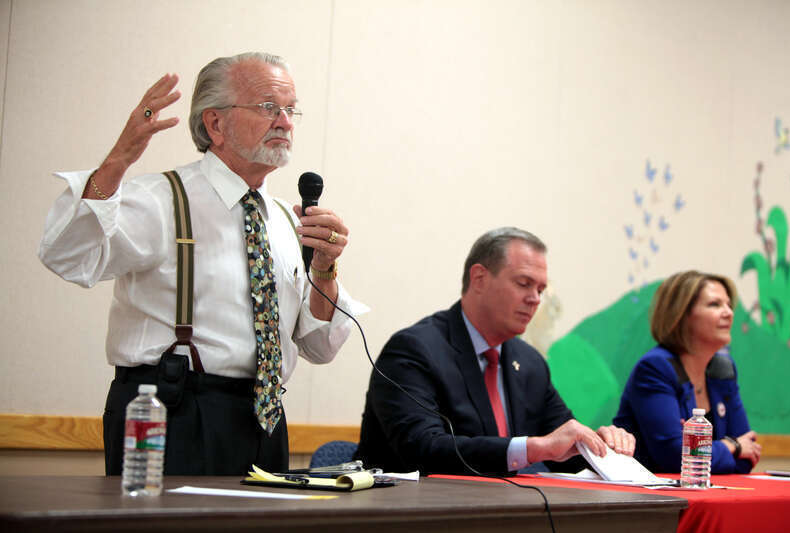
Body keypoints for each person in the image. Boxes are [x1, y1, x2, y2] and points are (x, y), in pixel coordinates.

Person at [38, 53, 367, 475]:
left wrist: (324, 266)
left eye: (290, 110)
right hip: (173, 413)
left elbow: (320, 346)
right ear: (215, 124)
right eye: (268, 107)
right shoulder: (160, 199)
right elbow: (65, 255)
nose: (284, 121)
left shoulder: (287, 219)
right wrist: (120, 158)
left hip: (265, 421)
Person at [355, 227, 634, 475]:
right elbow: (423, 450)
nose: (535, 299)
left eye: (540, 289)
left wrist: (601, 448)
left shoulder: (530, 362)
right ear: (479, 279)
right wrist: (534, 448)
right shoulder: (414, 350)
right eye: (524, 284)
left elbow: (565, 450)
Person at [613, 270, 760, 474]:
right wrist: (732, 447)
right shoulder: (656, 368)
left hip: (709, 493)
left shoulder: (723, 369)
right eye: (715, 304)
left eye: (728, 304)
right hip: (649, 498)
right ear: (681, 316)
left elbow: (748, 456)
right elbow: (674, 456)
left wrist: (720, 450)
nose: (728, 312)